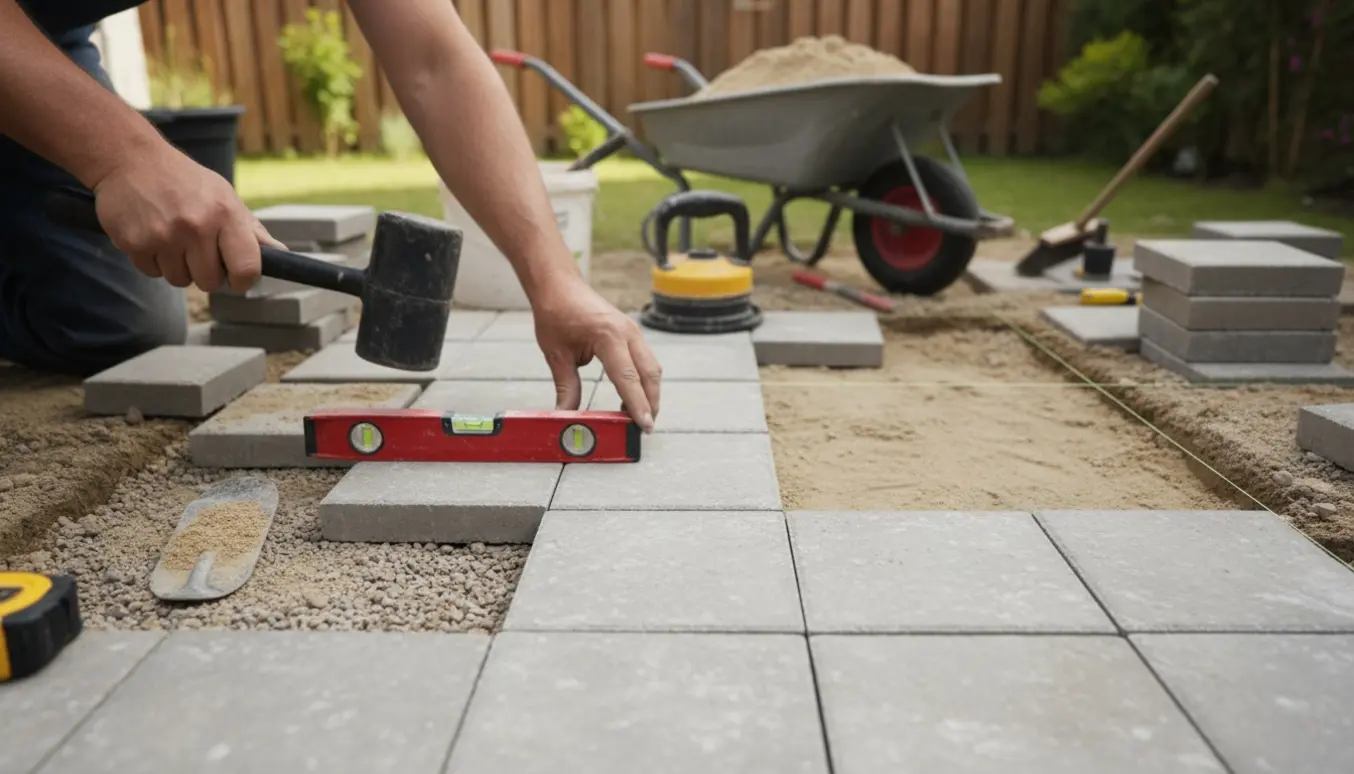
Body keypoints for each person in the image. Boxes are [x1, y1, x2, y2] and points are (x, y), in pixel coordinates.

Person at [0, 0, 662, 432]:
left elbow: (434, 59)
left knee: (116, 325)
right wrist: (124, 157)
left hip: (43, 34)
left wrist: (554, 279)